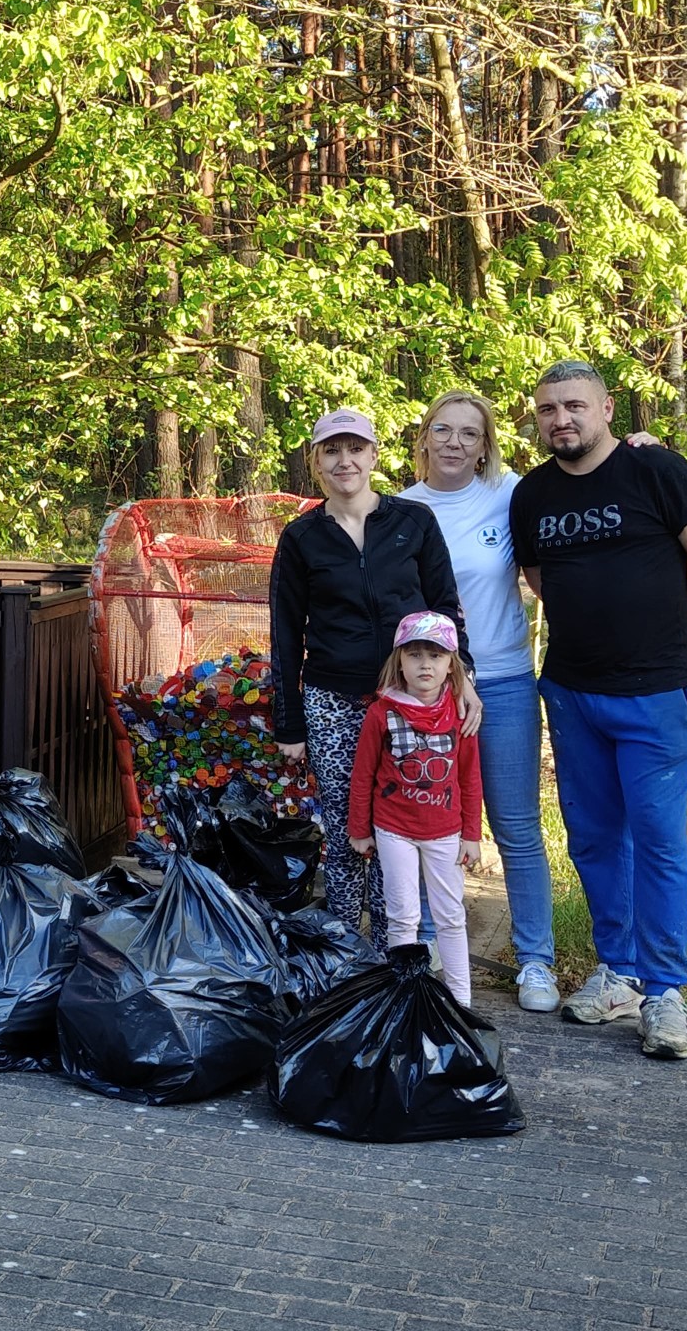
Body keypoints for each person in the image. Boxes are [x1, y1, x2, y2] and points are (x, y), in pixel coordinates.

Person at [510, 360, 687, 1061]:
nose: (562, 420)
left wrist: (675, 637)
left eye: (575, 406)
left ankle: (666, 991)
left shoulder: (656, 471)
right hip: (575, 694)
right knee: (595, 837)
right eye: (548, 409)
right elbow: (541, 580)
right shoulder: (533, 494)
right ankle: (617, 973)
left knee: (659, 837)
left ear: (607, 408)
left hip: (656, 696)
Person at [270, 407, 472, 946]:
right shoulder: (302, 538)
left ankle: (392, 946)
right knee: (345, 825)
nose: (345, 461)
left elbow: (446, 609)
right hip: (333, 698)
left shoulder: (413, 523)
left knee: (396, 824)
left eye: (355, 449)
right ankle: (341, 944)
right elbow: (285, 633)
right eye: (332, 451)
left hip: (408, 700)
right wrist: (289, 725)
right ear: (316, 463)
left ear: (373, 455)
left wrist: (461, 677)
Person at [400, 391, 560, 1011]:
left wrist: (638, 448)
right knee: (422, 823)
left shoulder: (511, 493)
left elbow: (583, 480)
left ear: (486, 444)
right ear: (425, 438)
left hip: (504, 682)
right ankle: (426, 943)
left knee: (516, 826)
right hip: (427, 693)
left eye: (470, 434)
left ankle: (536, 961)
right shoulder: (402, 510)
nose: (455, 443)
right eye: (443, 430)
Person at [346, 611, 486, 1009]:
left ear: (450, 664)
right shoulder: (382, 712)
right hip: (394, 830)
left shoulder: (460, 713)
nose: (426, 664)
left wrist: (472, 834)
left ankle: (460, 1001)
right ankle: (404, 1000)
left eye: (437, 656)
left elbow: (469, 778)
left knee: (450, 916)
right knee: (402, 915)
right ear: (400, 660)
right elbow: (363, 773)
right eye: (416, 655)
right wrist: (360, 829)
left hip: (445, 830)